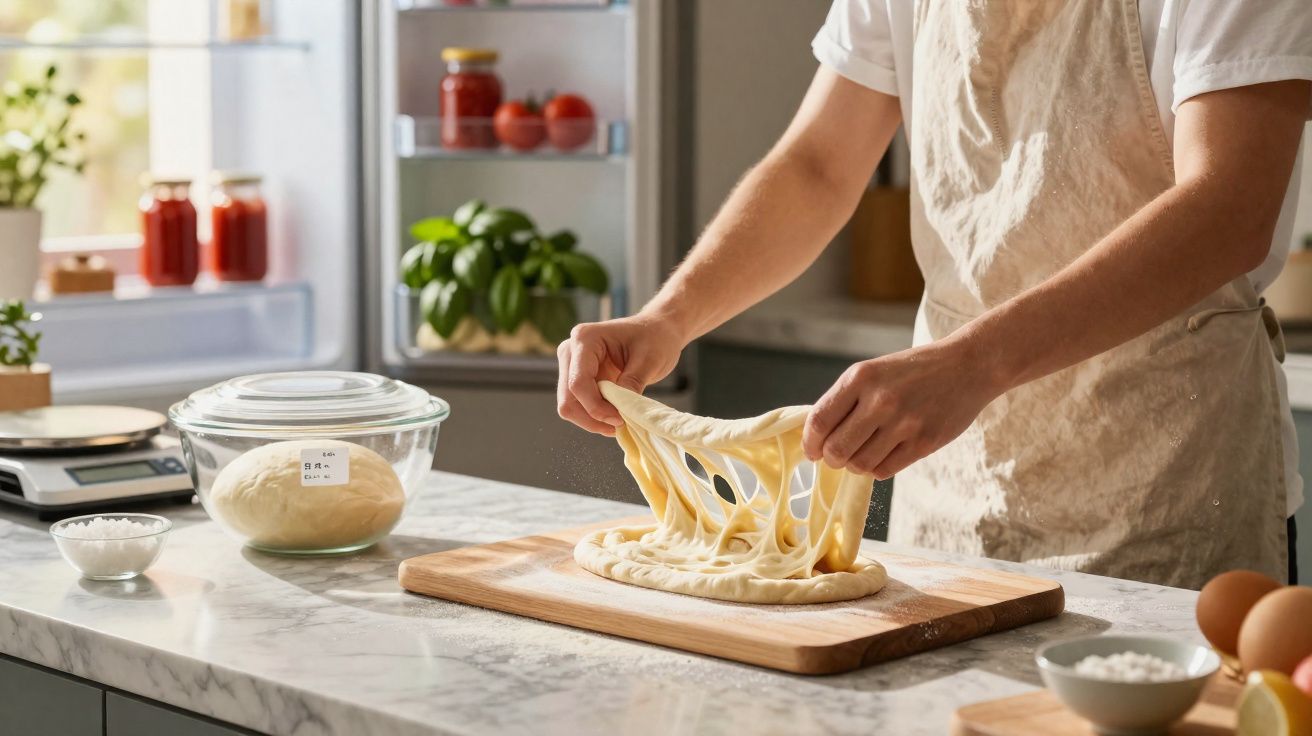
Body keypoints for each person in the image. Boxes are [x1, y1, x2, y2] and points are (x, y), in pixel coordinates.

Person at [555, 0, 1312, 589]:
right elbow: (820, 164)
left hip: (1168, 488)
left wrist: (973, 365)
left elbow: (1230, 206)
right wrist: (669, 317)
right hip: (952, 487)